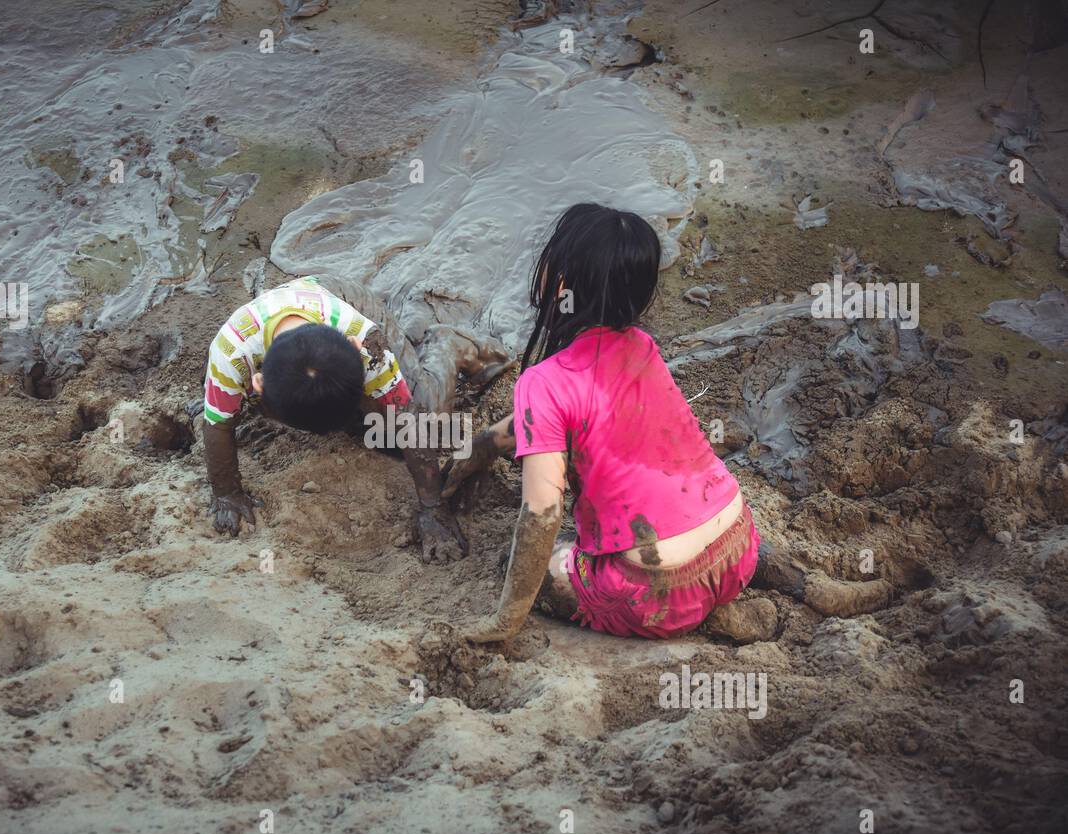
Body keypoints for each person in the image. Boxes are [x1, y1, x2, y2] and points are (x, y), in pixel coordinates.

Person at [442, 204, 760, 640]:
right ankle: (802, 586)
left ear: (557, 282)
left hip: (656, 594)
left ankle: (694, 610)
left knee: (527, 562)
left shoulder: (543, 382)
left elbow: (540, 514)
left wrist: (505, 622)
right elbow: (563, 415)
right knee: (699, 510)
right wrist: (482, 448)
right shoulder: (643, 347)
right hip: (739, 546)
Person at [198, 274, 510, 562]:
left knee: (419, 421)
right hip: (291, 319)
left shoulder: (366, 341)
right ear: (259, 382)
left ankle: (446, 343)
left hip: (346, 300)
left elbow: (412, 424)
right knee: (364, 429)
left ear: (355, 349)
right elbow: (217, 426)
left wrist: (432, 506)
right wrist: (226, 494)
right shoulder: (229, 355)